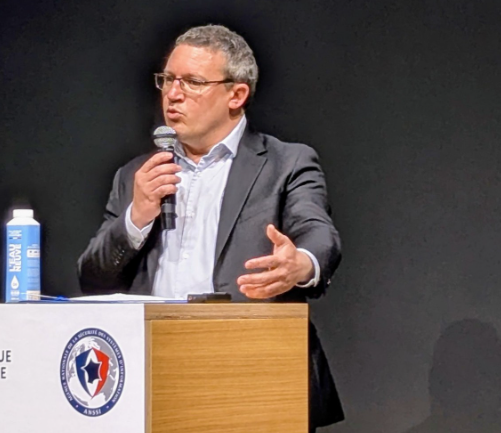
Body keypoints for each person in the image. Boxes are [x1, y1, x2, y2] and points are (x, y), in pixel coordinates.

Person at [77, 24, 344, 431]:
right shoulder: (137, 175)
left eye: (193, 82)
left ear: (236, 95)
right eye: (168, 79)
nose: (173, 93)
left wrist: (301, 265)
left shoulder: (285, 163)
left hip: (251, 374)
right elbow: (93, 278)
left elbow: (317, 233)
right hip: (156, 373)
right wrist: (136, 217)